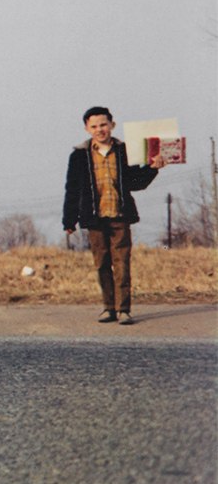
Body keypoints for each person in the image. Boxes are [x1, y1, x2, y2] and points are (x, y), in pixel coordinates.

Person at [63, 105, 165, 325]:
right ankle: (108, 307)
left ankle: (124, 309)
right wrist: (69, 220)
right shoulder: (79, 156)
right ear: (87, 129)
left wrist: (152, 168)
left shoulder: (124, 150)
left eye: (103, 125)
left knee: (122, 263)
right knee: (101, 263)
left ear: (112, 125)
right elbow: (72, 189)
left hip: (120, 214)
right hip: (94, 217)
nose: (100, 129)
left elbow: (135, 182)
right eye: (94, 126)